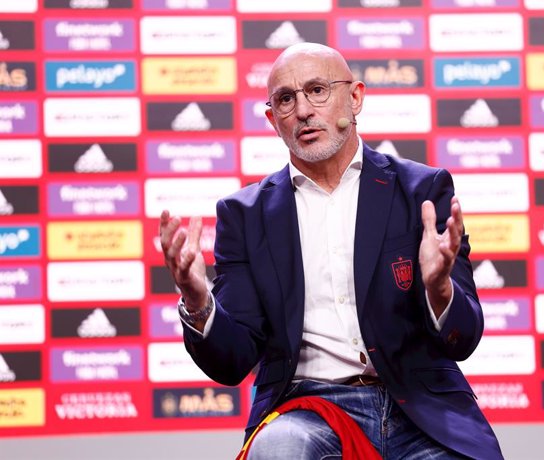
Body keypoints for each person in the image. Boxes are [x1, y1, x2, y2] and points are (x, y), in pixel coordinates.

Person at [159, 42, 504, 459]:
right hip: (307, 408)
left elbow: (462, 340)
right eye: (286, 99)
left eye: (318, 90)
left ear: (355, 97)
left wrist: (440, 290)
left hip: (419, 408)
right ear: (273, 119)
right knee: (279, 449)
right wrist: (199, 303)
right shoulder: (244, 215)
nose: (303, 110)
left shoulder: (422, 192)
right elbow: (233, 361)